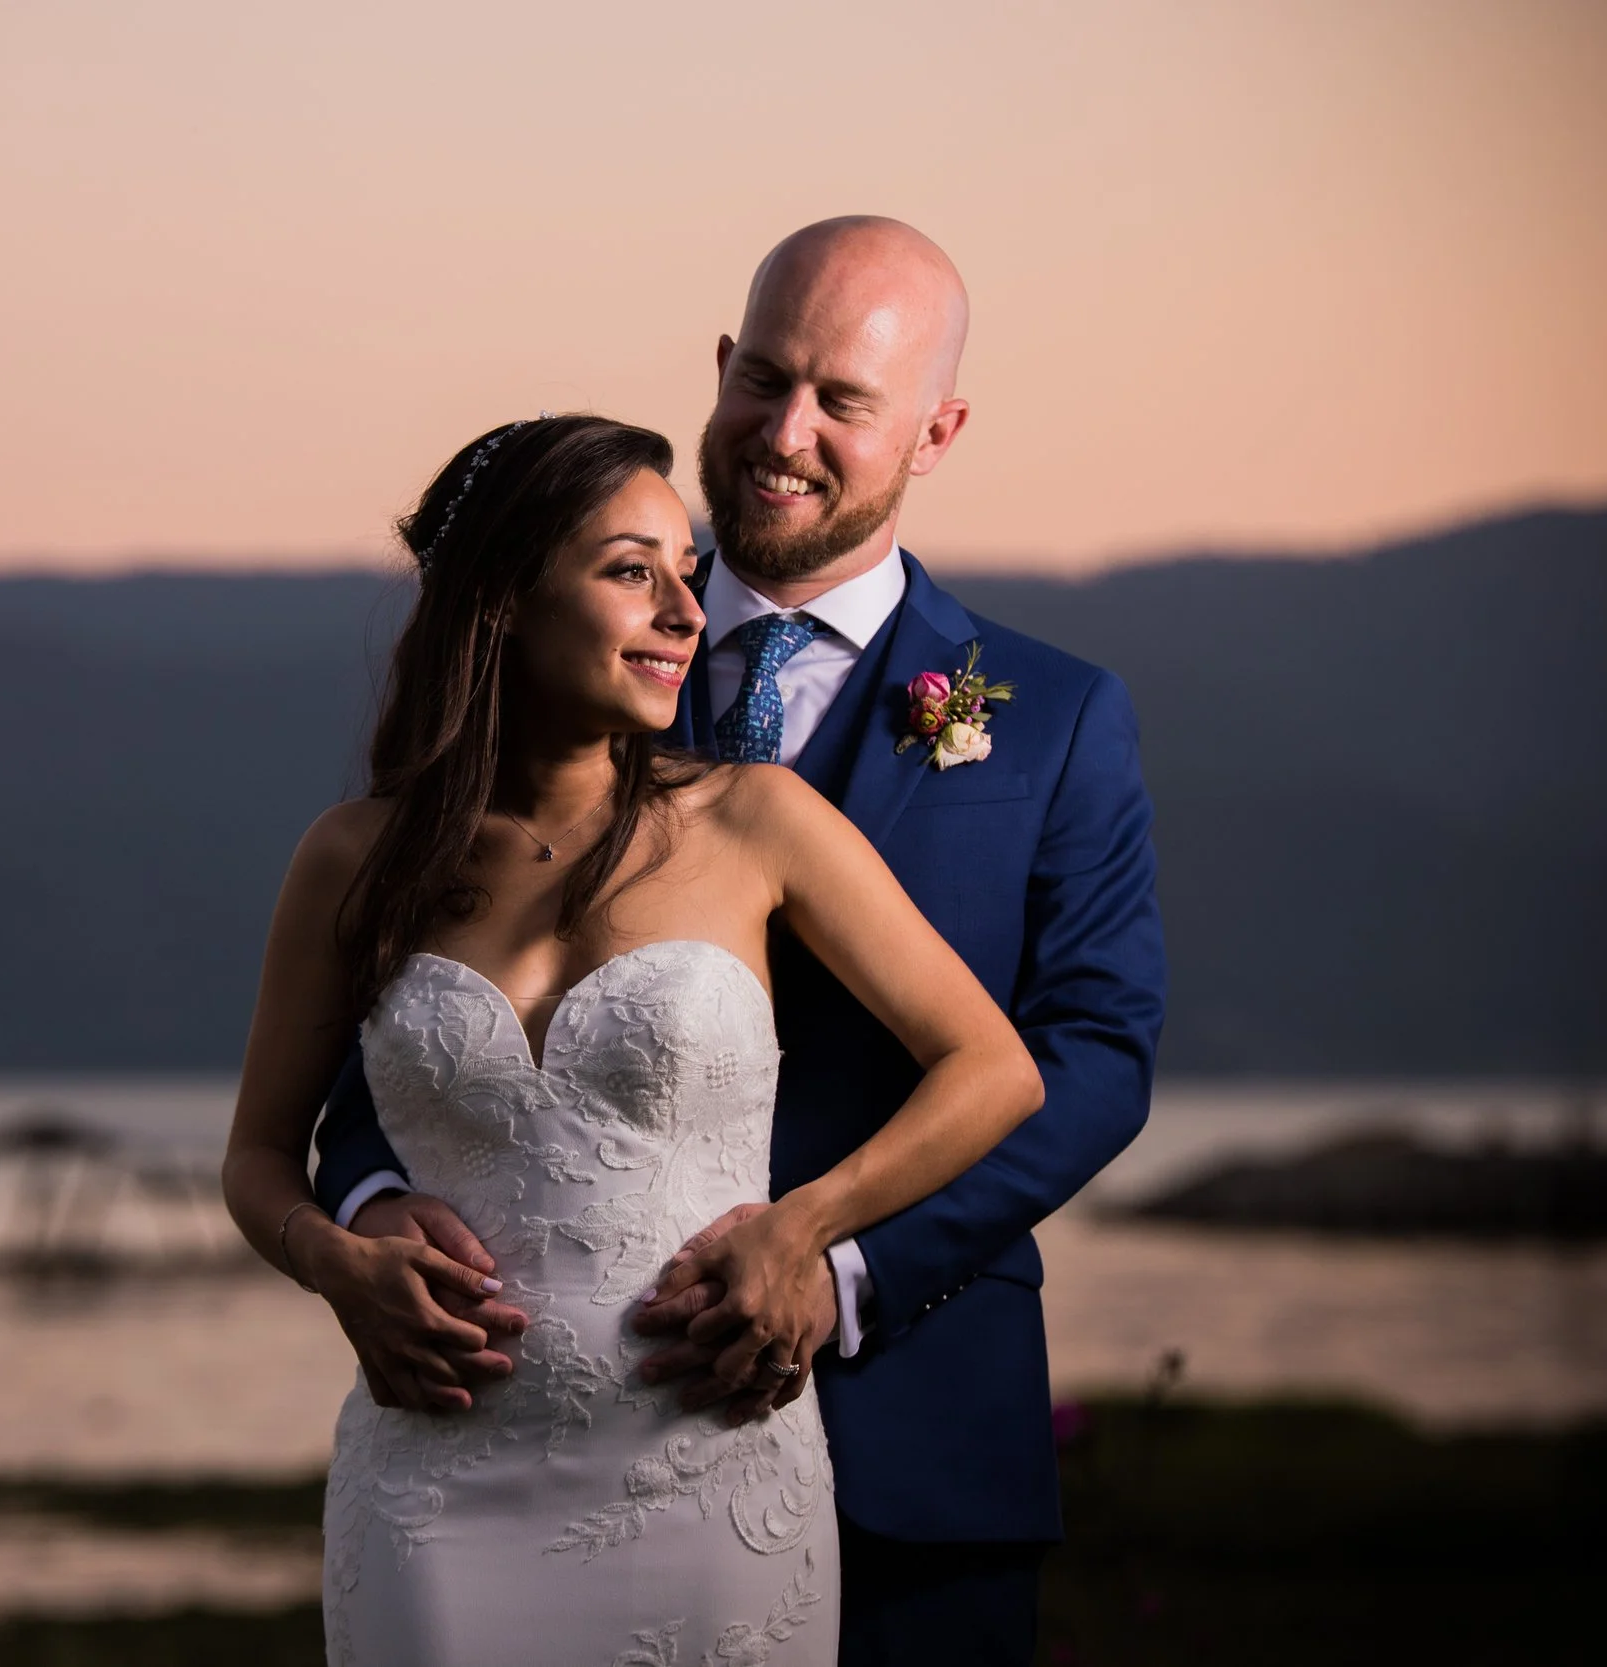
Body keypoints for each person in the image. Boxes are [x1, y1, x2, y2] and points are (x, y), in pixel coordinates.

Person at [309, 218, 1168, 1665]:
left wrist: (833, 1257)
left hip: (915, 1425)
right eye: (762, 378)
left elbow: (1091, 1058)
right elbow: (392, 1029)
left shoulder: (1052, 713)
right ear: (717, 367)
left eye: (843, 400)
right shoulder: (574, 636)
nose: (785, 433)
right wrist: (378, 1206)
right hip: (531, 1434)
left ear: (936, 430)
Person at [222, 412, 1044, 1666]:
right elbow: (261, 1156)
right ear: (501, 597)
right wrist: (335, 1261)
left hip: (708, 1475)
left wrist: (802, 1224)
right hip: (433, 1486)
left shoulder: (755, 820)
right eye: (629, 569)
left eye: (684, 568)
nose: (683, 609)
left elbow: (993, 1068)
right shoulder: (355, 858)